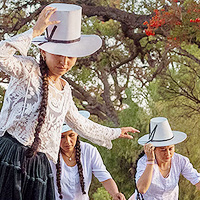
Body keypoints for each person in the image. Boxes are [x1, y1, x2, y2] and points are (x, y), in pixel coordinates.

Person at [0, 3, 139, 200]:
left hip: (39, 166)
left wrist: (115, 132)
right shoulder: (27, 70)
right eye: (58, 54)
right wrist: (34, 31)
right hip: (10, 155)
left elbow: (79, 122)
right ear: (43, 51)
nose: (64, 62)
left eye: (70, 56)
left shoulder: (64, 90)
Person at [50, 110, 126, 200]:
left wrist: (115, 193)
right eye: (62, 137)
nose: (67, 141)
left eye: (71, 135)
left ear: (77, 133)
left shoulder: (89, 151)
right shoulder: (49, 154)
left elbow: (104, 176)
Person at [132, 117, 200, 200]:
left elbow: (197, 180)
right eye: (163, 150)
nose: (168, 154)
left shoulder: (180, 161)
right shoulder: (143, 162)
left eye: (170, 149)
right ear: (154, 149)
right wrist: (150, 161)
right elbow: (142, 189)